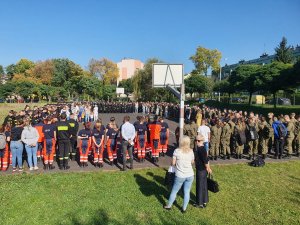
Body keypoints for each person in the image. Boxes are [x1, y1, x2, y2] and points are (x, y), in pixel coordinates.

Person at [164, 135, 194, 213]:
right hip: (190, 174)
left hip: (180, 175)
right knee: (187, 191)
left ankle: (169, 206)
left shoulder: (177, 151)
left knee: (174, 191)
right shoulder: (191, 151)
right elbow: (192, 162)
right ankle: (184, 209)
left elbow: (173, 163)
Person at [194, 134, 212, 208]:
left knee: (200, 186)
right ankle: (204, 201)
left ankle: (200, 203)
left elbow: (205, 161)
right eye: (196, 140)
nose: (196, 142)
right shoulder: (201, 148)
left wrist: (208, 168)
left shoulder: (201, 149)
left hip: (201, 170)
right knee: (204, 185)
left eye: (198, 141)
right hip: (202, 169)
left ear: (201, 141)